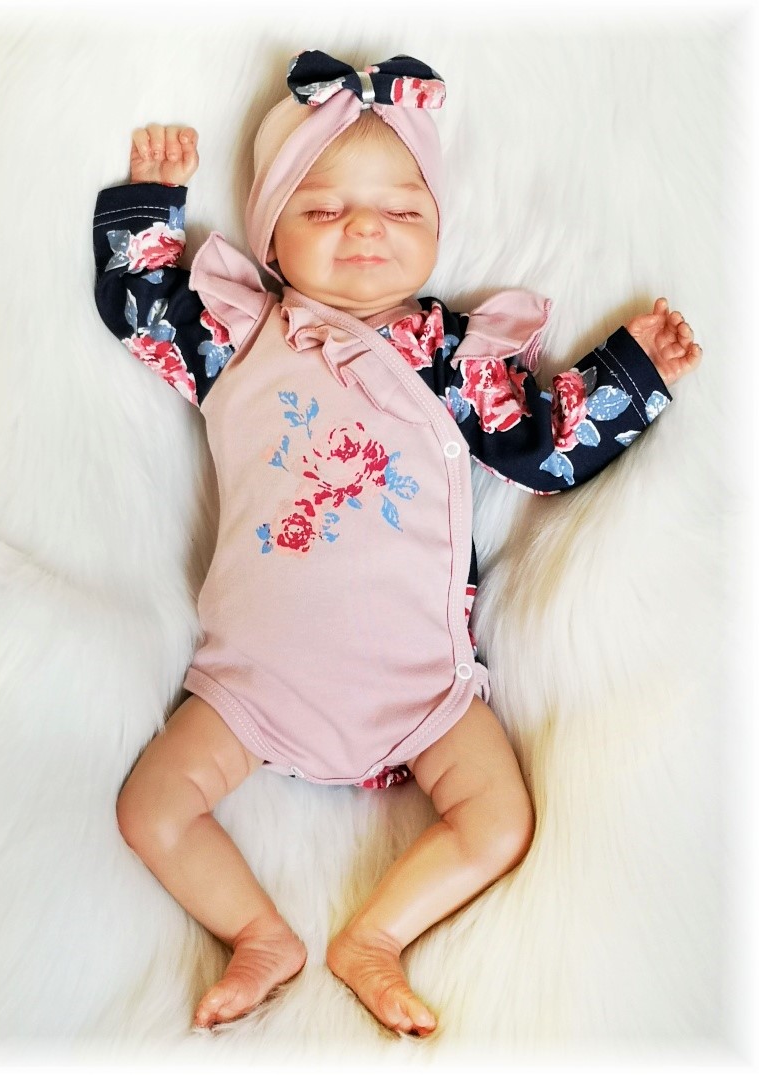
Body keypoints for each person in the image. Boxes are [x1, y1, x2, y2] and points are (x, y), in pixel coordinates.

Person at [92, 51, 701, 1038]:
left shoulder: (453, 359)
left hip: (421, 688)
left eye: (400, 210)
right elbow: (143, 312)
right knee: (150, 809)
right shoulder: (242, 334)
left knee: (498, 819)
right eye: (324, 209)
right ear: (271, 236)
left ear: (435, 229)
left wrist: (630, 373)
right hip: (252, 684)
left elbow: (545, 449)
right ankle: (258, 933)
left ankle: (375, 935)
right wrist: (149, 208)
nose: (366, 227)